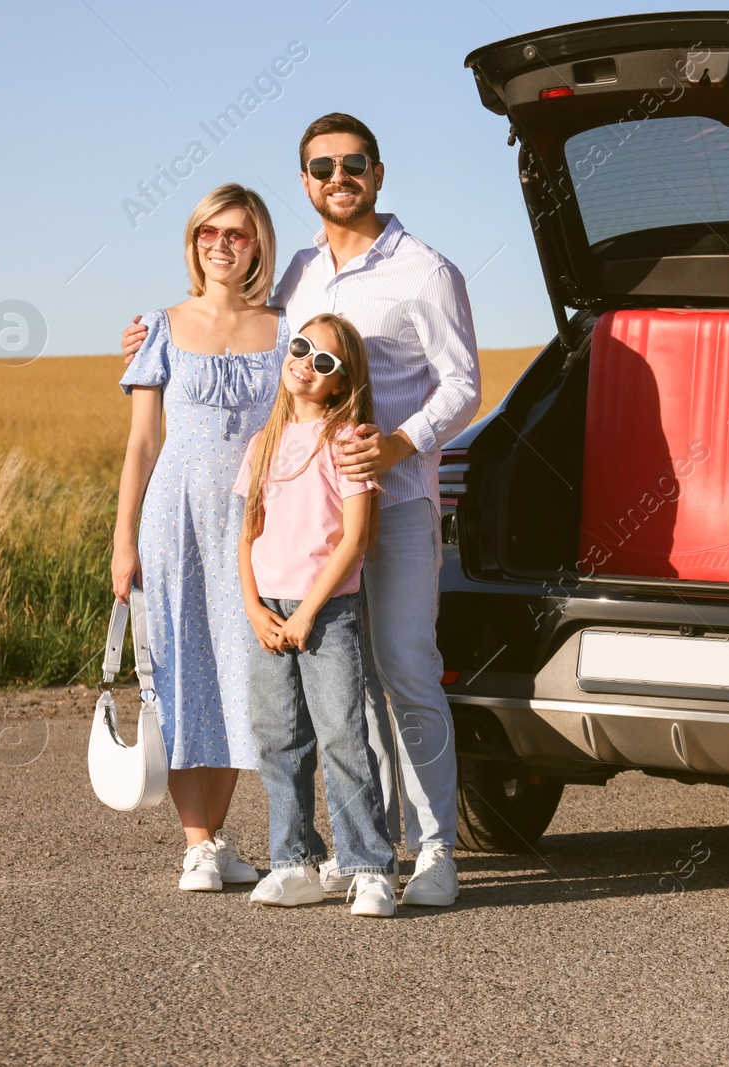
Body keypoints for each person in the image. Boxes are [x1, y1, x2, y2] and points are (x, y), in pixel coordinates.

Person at [123, 113, 480, 907]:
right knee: (342, 689)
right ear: (307, 183)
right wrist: (153, 340)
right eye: (322, 168)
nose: (338, 178)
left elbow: (463, 385)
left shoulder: (427, 271)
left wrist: (398, 443)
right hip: (308, 524)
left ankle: (435, 850)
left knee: (405, 669)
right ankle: (364, 852)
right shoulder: (301, 279)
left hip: (400, 499)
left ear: (379, 173)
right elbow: (254, 346)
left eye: (354, 164)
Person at [112, 183, 285, 892]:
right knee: (183, 670)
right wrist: (123, 539)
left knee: (245, 676)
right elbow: (142, 442)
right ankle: (197, 843)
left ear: (257, 245)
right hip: (174, 516)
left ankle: (218, 840)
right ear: (194, 243)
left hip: (253, 522)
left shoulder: (285, 328)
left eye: (236, 234)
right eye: (209, 233)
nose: (221, 244)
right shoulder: (159, 325)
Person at [236, 314, 398, 916]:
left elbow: (354, 540)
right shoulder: (263, 443)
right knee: (278, 739)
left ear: (341, 381)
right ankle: (293, 861)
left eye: (324, 361)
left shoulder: (347, 441)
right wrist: (254, 606)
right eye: (301, 348)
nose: (306, 362)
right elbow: (245, 534)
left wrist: (308, 612)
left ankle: (369, 867)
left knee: (340, 737)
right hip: (269, 613)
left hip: (325, 612)